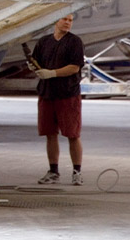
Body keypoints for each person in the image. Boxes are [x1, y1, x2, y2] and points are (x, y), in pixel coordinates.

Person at [31, 13, 85, 185]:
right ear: (55, 19)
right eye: (65, 19)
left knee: (72, 134)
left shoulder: (74, 42)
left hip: (67, 93)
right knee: (50, 133)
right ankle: (53, 171)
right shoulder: (43, 42)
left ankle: (77, 171)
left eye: (70, 20)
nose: (68, 23)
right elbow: (35, 61)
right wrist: (32, 66)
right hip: (47, 93)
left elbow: (74, 67)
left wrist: (52, 73)